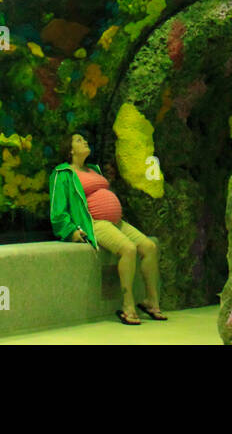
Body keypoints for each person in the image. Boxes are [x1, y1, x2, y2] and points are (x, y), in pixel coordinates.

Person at [48, 133, 166, 325]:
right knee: (128, 249)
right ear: (70, 150)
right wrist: (71, 231)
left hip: (117, 222)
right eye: (79, 140)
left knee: (149, 247)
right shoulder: (63, 174)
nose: (85, 141)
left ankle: (152, 302)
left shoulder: (94, 170)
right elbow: (57, 209)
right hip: (95, 223)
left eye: (85, 139)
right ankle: (128, 306)